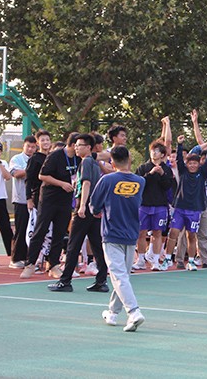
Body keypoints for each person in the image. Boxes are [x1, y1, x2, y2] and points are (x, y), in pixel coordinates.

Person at [90, 145, 146, 332]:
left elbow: (94, 205)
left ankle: (134, 311)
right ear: (129, 159)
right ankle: (113, 312)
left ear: (111, 162)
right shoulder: (140, 181)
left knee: (119, 276)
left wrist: (98, 211)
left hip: (112, 233)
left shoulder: (107, 180)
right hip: (131, 233)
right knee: (122, 276)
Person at [48, 133, 110, 292]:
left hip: (85, 209)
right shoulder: (93, 162)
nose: (76, 148)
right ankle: (101, 280)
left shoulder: (87, 162)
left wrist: (82, 205)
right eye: (75, 145)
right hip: (93, 209)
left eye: (80, 145)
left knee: (73, 244)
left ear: (88, 147)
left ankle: (65, 281)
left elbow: (86, 183)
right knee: (96, 245)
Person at [21, 132, 81, 279]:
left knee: (59, 233)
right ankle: (30, 264)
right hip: (49, 199)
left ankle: (53, 264)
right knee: (40, 231)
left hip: (65, 200)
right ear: (73, 145)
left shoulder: (79, 158)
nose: (81, 148)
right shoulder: (55, 156)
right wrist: (61, 184)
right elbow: (42, 176)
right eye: (80, 145)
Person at [163, 134, 207, 271]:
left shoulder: (203, 173)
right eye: (190, 163)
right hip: (180, 208)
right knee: (173, 233)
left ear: (199, 164)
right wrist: (179, 144)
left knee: (191, 236)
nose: (192, 165)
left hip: (194, 210)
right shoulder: (183, 171)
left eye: (195, 163)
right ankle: (167, 259)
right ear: (186, 164)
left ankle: (192, 261)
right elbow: (179, 159)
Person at [133, 140, 174, 271]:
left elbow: (168, 186)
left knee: (157, 232)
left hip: (160, 206)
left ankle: (155, 260)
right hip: (144, 205)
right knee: (141, 233)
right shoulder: (143, 168)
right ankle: (140, 260)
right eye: (152, 151)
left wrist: (162, 174)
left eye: (157, 151)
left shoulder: (166, 169)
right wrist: (150, 174)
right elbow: (138, 184)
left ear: (162, 155)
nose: (154, 153)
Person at [8, 135, 37, 268]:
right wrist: (31, 170)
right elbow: (16, 173)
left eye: (33, 147)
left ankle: (29, 257)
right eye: (28, 146)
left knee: (33, 230)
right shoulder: (16, 159)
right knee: (21, 229)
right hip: (21, 199)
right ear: (24, 146)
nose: (30, 149)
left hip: (36, 200)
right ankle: (16, 258)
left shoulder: (38, 158)